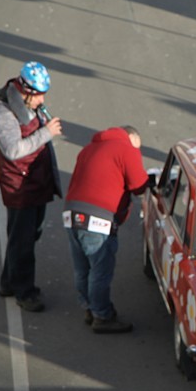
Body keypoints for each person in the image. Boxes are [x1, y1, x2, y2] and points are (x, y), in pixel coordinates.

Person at [0, 61, 62, 312]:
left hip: (34, 181)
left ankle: (9, 281)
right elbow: (13, 150)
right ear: (26, 91)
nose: (42, 100)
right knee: (23, 240)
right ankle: (24, 291)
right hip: (20, 186)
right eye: (39, 95)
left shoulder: (30, 106)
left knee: (29, 234)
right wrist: (46, 134)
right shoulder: (4, 113)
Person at [63, 126, 149, 333]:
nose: (137, 153)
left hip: (72, 214)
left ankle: (89, 309)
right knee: (100, 270)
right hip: (98, 218)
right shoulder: (126, 149)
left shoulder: (88, 149)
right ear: (131, 138)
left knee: (82, 267)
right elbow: (139, 185)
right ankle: (102, 316)